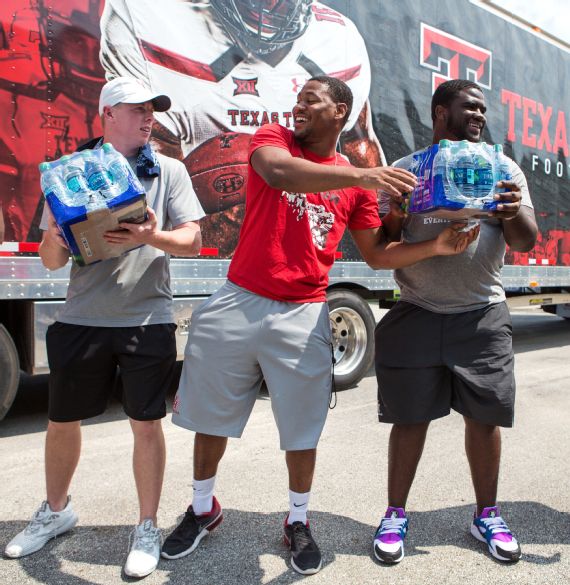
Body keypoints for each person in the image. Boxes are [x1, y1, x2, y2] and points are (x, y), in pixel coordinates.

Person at [161, 75, 478, 575]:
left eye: (312, 99)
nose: (298, 106)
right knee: (209, 415)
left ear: (341, 112)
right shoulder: (275, 139)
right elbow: (281, 174)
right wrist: (362, 178)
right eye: (298, 98)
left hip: (305, 309)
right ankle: (202, 509)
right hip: (240, 296)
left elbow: (377, 255)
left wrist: (435, 247)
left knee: (302, 427)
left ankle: (298, 520)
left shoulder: (356, 181)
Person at [3, 77, 205, 579]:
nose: (148, 117)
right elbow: (51, 262)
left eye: (152, 109)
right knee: (61, 422)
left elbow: (193, 241)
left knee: (144, 423)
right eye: (137, 109)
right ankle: (55, 510)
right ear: (107, 114)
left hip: (147, 319)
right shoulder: (70, 175)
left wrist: (150, 233)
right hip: (81, 318)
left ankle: (147, 525)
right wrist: (60, 235)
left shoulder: (169, 170)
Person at [372, 79, 538, 565]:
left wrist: (510, 210)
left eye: (484, 109)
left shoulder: (501, 167)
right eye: (470, 107)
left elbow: (526, 240)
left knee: (484, 420)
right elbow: (386, 240)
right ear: (440, 112)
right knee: (409, 420)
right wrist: (397, 213)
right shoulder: (405, 170)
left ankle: (486, 513)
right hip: (417, 309)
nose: (480, 116)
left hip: (481, 314)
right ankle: (396, 514)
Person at [99, 0, 386, 256]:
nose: (270, 7)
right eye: (300, 100)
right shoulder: (152, 14)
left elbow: (358, 145)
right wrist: (218, 225)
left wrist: (388, 210)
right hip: (215, 236)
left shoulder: (337, 38)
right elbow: (154, 177)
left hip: (296, 253)